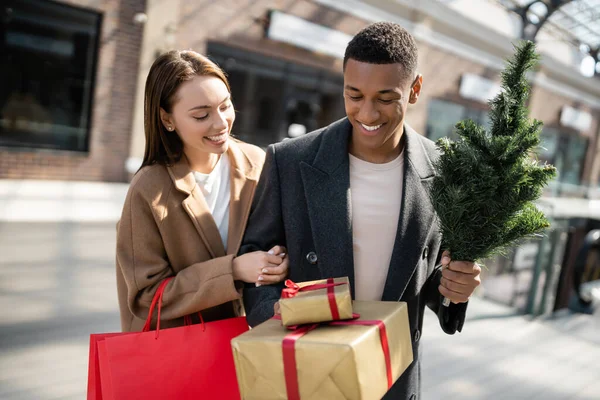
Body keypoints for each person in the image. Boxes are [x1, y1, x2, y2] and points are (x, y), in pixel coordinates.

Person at [240, 22, 482, 399]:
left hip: (392, 375)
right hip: (307, 367)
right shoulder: (290, 160)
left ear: (415, 89)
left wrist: (455, 288)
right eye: (354, 95)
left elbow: (431, 275)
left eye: (386, 98)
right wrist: (276, 315)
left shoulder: (447, 170)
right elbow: (253, 259)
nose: (367, 113)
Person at [116, 50, 288, 332]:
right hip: (179, 357)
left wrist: (279, 262)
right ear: (167, 119)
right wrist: (232, 271)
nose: (221, 123)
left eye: (225, 106)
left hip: (251, 341)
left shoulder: (256, 163)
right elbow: (147, 297)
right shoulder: (149, 188)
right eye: (201, 115)